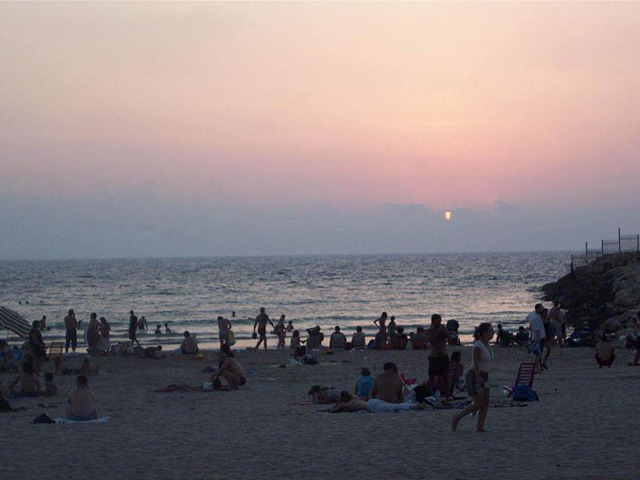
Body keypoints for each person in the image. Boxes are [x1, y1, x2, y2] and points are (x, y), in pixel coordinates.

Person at [452, 322, 494, 432]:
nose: (492, 333)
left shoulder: (487, 344)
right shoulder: (478, 346)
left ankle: (480, 426)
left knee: (486, 402)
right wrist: (478, 378)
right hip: (475, 375)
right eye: (490, 330)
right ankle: (457, 417)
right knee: (478, 402)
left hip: (485, 376)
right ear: (484, 333)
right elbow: (475, 363)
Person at [425, 314, 452, 393]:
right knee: (431, 377)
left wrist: (445, 332)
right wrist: (437, 332)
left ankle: (448, 393)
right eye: (438, 322)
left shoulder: (443, 329)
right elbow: (430, 341)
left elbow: (450, 341)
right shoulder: (430, 331)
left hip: (443, 355)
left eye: (440, 321)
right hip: (434, 357)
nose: (439, 323)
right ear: (433, 322)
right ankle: (426, 392)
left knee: (445, 377)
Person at [527, 304, 546, 373]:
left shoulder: (536, 316)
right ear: (537, 309)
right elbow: (537, 329)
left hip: (538, 337)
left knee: (538, 354)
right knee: (537, 354)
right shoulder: (535, 318)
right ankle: (535, 368)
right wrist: (538, 338)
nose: (542, 309)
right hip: (537, 338)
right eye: (541, 308)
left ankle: (537, 368)